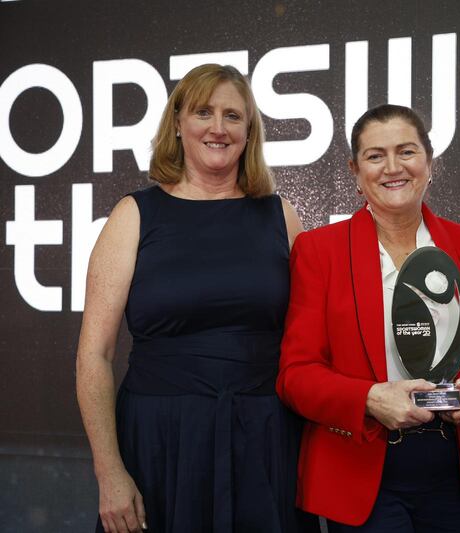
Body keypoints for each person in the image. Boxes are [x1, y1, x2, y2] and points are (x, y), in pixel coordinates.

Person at [76, 64, 318, 533]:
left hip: (265, 437)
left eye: (233, 115)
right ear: (178, 123)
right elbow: (94, 354)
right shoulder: (133, 215)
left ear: (249, 133)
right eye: (204, 112)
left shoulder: (280, 215)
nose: (218, 127)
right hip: (158, 440)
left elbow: (308, 339)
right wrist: (109, 472)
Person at [276, 104, 460, 532]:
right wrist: (370, 398)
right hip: (361, 470)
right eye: (375, 156)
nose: (393, 168)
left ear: (430, 162)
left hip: (454, 468)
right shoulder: (319, 251)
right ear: (355, 170)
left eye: (406, 151)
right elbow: (296, 376)